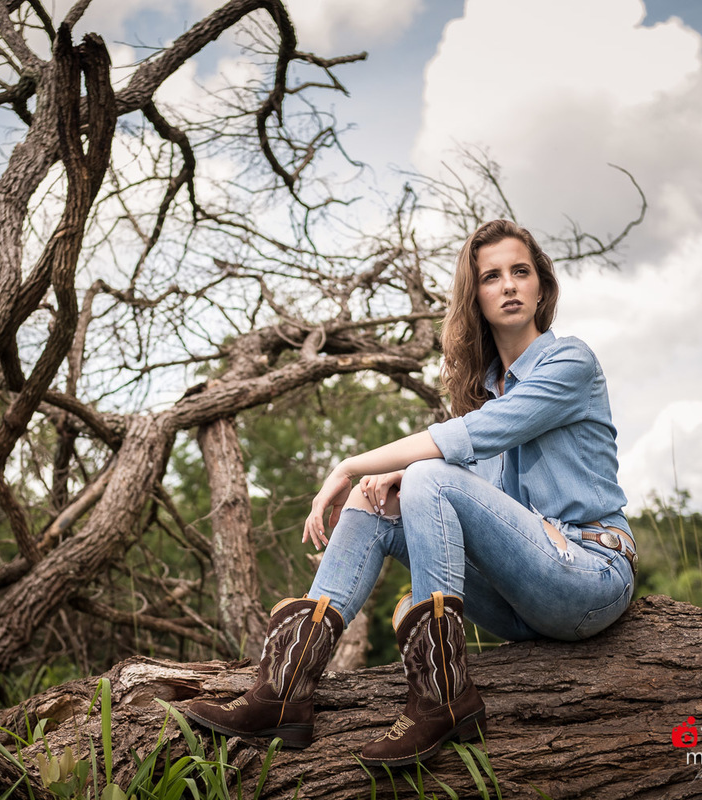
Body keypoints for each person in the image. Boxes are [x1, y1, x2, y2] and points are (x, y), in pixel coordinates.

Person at [185, 219, 637, 766]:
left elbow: (463, 441)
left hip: (588, 576)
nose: (510, 286)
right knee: (375, 499)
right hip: (523, 598)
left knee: (420, 473)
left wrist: (350, 464)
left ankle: (440, 699)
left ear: (542, 285)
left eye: (521, 271)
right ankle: (283, 691)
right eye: (492, 277)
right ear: (476, 296)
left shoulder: (570, 363)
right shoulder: (486, 391)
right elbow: (484, 494)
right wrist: (389, 482)